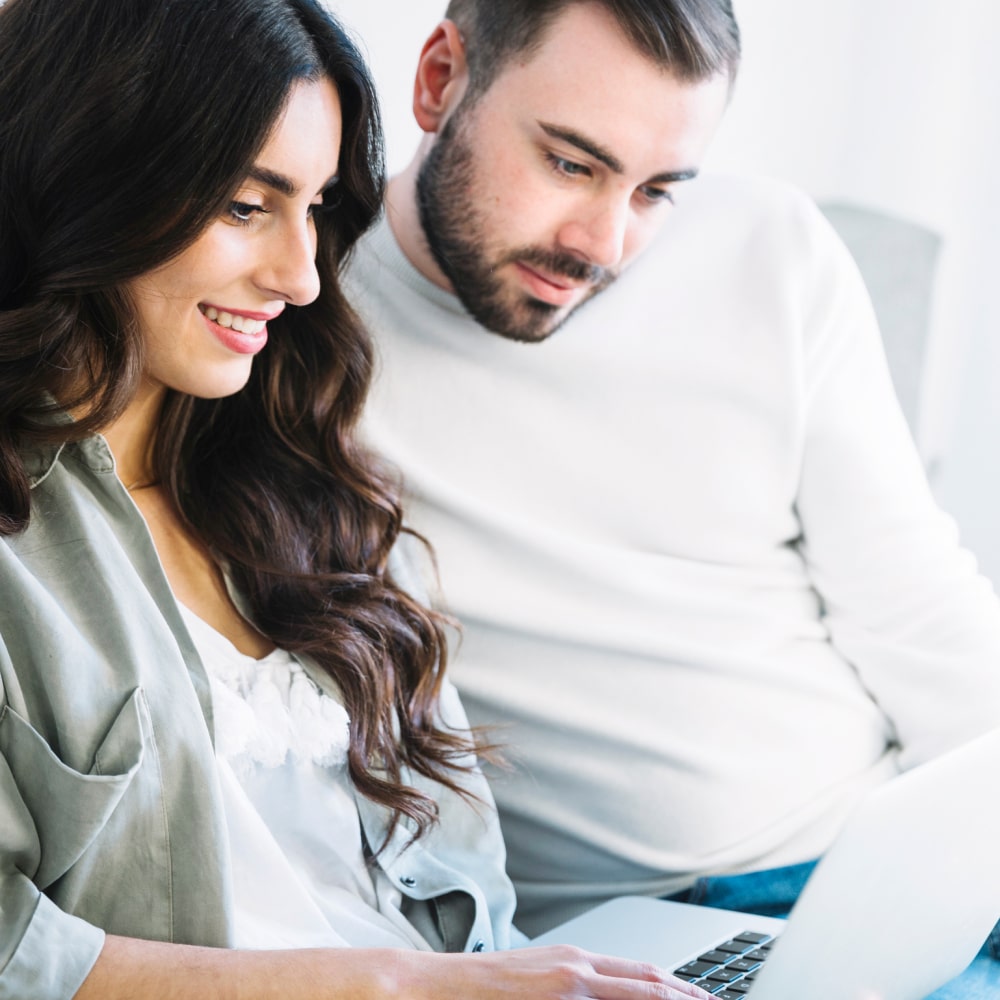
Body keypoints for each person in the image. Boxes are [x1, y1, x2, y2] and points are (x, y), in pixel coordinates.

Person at [0, 1, 718, 998]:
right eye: (247, 206)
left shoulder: (312, 491)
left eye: (316, 207)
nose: (299, 275)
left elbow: (471, 903)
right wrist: (391, 984)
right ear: (90, 175)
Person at [343, 0, 1000, 995]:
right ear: (440, 80)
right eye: (570, 163)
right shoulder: (298, 326)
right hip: (628, 943)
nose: (601, 243)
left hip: (885, 872)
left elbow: (913, 601)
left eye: (657, 190)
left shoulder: (769, 247)